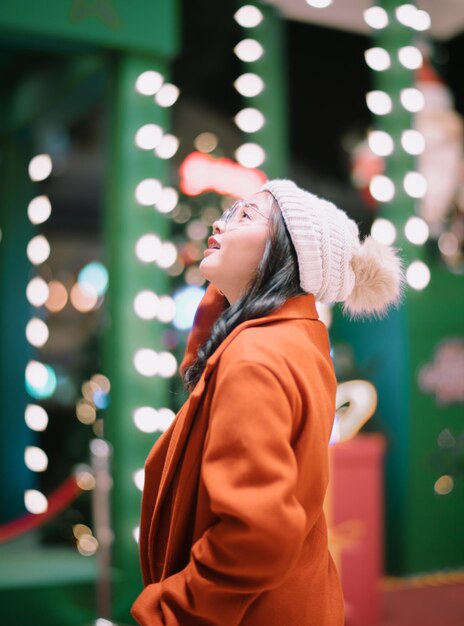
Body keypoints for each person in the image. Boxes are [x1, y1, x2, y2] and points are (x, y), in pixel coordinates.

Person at [131, 179, 403, 626]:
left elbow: (256, 533)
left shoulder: (255, 356)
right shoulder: (297, 338)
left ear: (284, 252)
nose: (220, 222)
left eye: (246, 215)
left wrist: (169, 612)